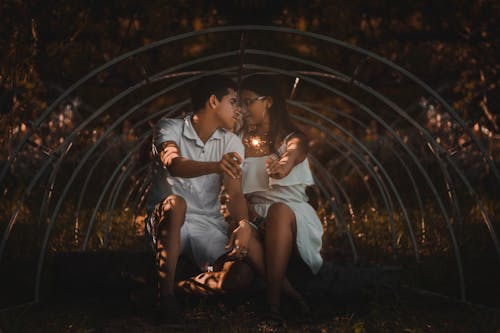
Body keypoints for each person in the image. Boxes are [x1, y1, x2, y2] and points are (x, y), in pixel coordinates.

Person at [146, 75, 254, 323]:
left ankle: (176, 287)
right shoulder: (169, 127)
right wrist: (216, 166)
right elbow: (173, 164)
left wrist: (243, 223)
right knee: (176, 203)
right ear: (213, 101)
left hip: (207, 224)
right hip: (168, 221)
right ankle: (166, 300)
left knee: (241, 276)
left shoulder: (232, 141)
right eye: (233, 101)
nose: (239, 110)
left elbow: (235, 194)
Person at [238, 74, 324, 328]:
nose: (243, 109)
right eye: (239, 103)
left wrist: (282, 165)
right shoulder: (239, 142)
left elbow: (291, 155)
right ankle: (293, 296)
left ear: (269, 102)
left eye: (248, 101)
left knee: (278, 210)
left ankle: (272, 305)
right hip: (257, 217)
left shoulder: (293, 138)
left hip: (292, 214)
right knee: (242, 238)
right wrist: (251, 217)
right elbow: (237, 194)